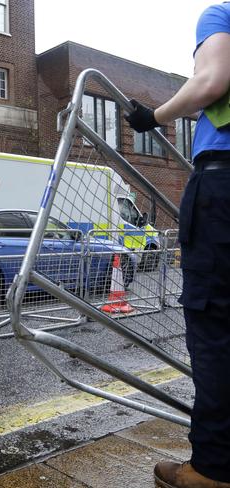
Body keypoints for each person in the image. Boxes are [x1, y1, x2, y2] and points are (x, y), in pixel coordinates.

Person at [125, 3, 230, 486]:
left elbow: (212, 81)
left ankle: (212, 467)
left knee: (215, 322)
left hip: (224, 179)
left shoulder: (222, 13)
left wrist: (155, 115)